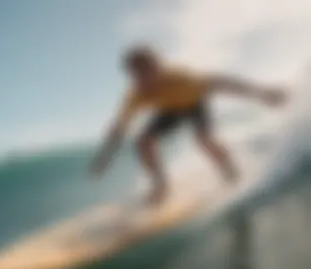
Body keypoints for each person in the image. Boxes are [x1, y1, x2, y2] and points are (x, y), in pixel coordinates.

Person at [90, 46, 287, 204]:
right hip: (170, 111)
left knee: (203, 140)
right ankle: (161, 186)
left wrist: (262, 93)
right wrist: (104, 157)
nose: (144, 83)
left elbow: (222, 83)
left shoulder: (182, 80)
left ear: (158, 69)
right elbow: (119, 128)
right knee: (143, 141)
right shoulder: (136, 95)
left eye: (147, 75)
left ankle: (230, 171)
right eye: (136, 77)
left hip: (195, 105)